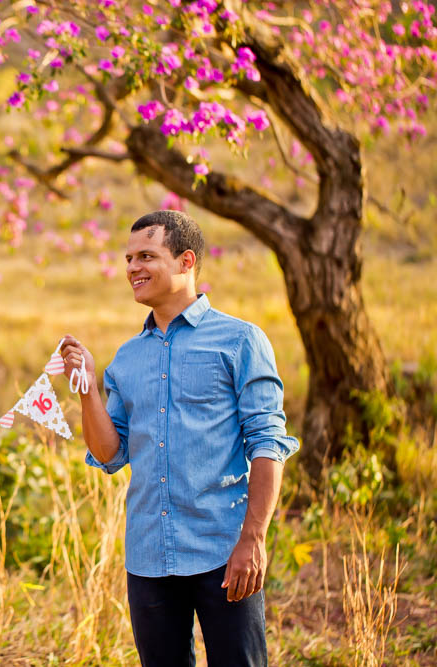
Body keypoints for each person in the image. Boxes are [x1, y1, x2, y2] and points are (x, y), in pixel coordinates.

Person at [60, 210, 299, 667]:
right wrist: (88, 388)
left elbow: (268, 443)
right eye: (129, 258)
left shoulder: (241, 341)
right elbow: (110, 454)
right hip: (149, 554)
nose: (132, 268)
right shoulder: (127, 359)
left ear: (187, 261)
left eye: (146, 255)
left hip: (223, 550)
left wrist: (254, 538)